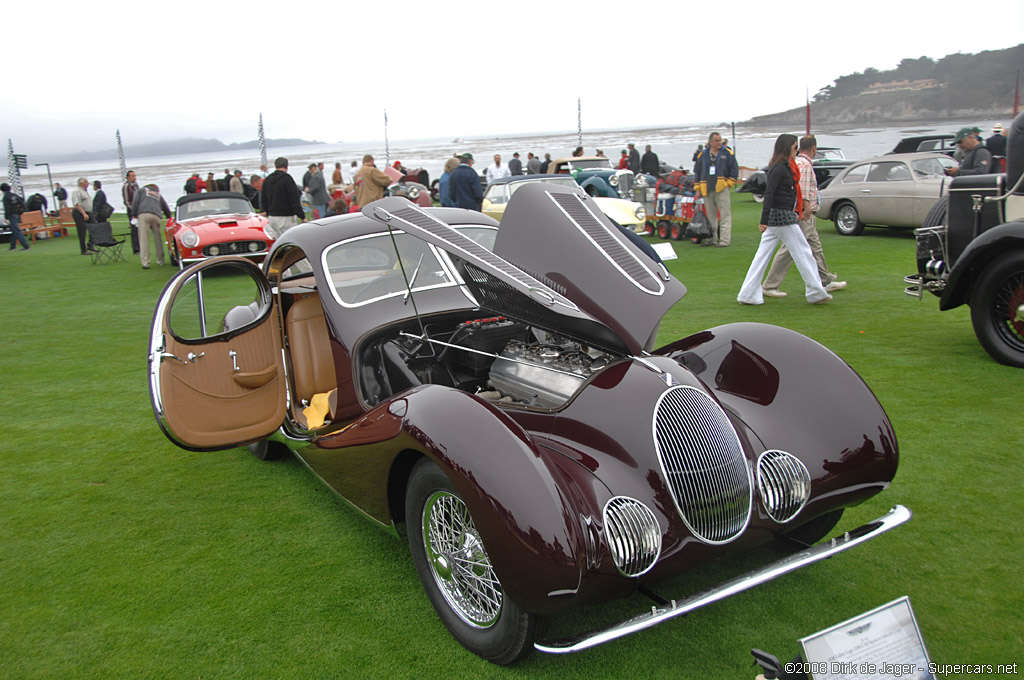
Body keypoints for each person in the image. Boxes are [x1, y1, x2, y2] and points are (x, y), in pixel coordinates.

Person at [737, 134, 831, 306]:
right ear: (787, 148)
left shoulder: (785, 167)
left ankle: (748, 294)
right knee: (803, 252)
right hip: (781, 218)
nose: (797, 150)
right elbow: (770, 193)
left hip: (779, 217)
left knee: (763, 256)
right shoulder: (780, 168)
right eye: (795, 147)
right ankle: (815, 292)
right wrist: (764, 219)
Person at [762, 135, 846, 298]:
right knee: (790, 250)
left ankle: (825, 280)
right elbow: (802, 189)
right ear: (814, 148)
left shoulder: (797, 163)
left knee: (815, 247)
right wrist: (805, 208)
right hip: (805, 214)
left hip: (805, 213)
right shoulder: (805, 165)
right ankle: (770, 284)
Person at [693, 132, 739, 247]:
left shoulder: (727, 153)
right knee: (710, 216)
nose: (719, 143)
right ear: (711, 142)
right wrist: (698, 189)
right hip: (707, 189)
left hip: (721, 188)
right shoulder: (702, 155)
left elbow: (734, 169)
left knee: (725, 215)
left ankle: (724, 240)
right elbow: (697, 172)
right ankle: (711, 239)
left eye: (720, 140)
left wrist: (728, 184)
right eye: (717, 141)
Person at [261, 157, 305, 239]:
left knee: (279, 242)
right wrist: (302, 216)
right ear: (287, 166)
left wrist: (268, 211)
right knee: (291, 240)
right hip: (286, 217)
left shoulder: (267, 180)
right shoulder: (287, 179)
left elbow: (263, 200)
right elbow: (294, 199)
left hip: (272, 217)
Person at [131, 183, 171, 269]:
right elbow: (165, 207)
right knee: (158, 239)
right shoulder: (158, 194)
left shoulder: (141, 190)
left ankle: (145, 263)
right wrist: (169, 217)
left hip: (144, 214)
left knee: (143, 239)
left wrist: (133, 214)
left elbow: (135, 202)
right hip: (156, 216)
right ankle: (161, 260)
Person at [1, 183, 30, 251]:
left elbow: (7, 208)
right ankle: (12, 247)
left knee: (17, 230)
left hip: (12, 215)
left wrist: (6, 218)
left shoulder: (6, 197)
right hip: (17, 214)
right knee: (14, 230)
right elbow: (22, 202)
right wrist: (21, 211)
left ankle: (26, 246)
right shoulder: (14, 195)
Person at [71, 177, 93, 255]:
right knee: (82, 231)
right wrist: (83, 213)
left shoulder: (85, 191)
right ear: (81, 183)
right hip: (79, 213)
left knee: (94, 227)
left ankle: (91, 245)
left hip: (88, 212)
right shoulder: (77, 191)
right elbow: (76, 204)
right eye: (86, 182)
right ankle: (83, 250)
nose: (88, 183)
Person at [122, 170, 140, 254]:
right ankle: (136, 249)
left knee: (140, 229)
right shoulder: (126, 186)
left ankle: (141, 247)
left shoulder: (136, 186)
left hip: (139, 209)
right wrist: (133, 211)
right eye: (132, 176)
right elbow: (126, 201)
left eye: (135, 176)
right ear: (128, 177)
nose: (134, 177)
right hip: (132, 211)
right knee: (134, 230)